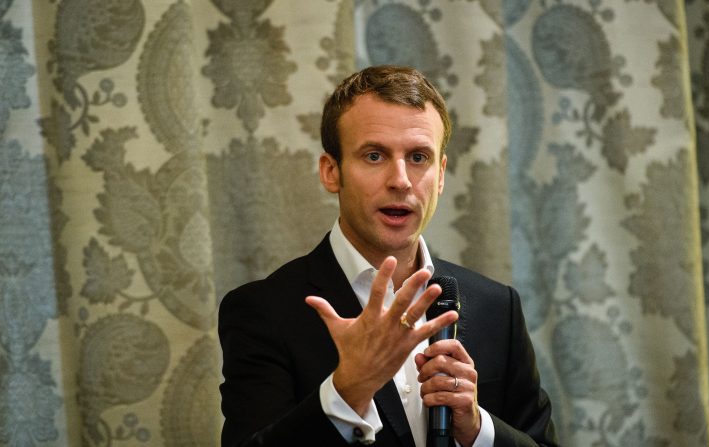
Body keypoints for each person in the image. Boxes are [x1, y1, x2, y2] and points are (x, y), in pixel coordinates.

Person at [218, 65, 558, 447]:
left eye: (418, 157)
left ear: (441, 174)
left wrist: (479, 429)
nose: (400, 180)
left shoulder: (498, 307)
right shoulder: (262, 311)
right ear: (332, 172)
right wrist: (348, 390)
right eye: (375, 155)